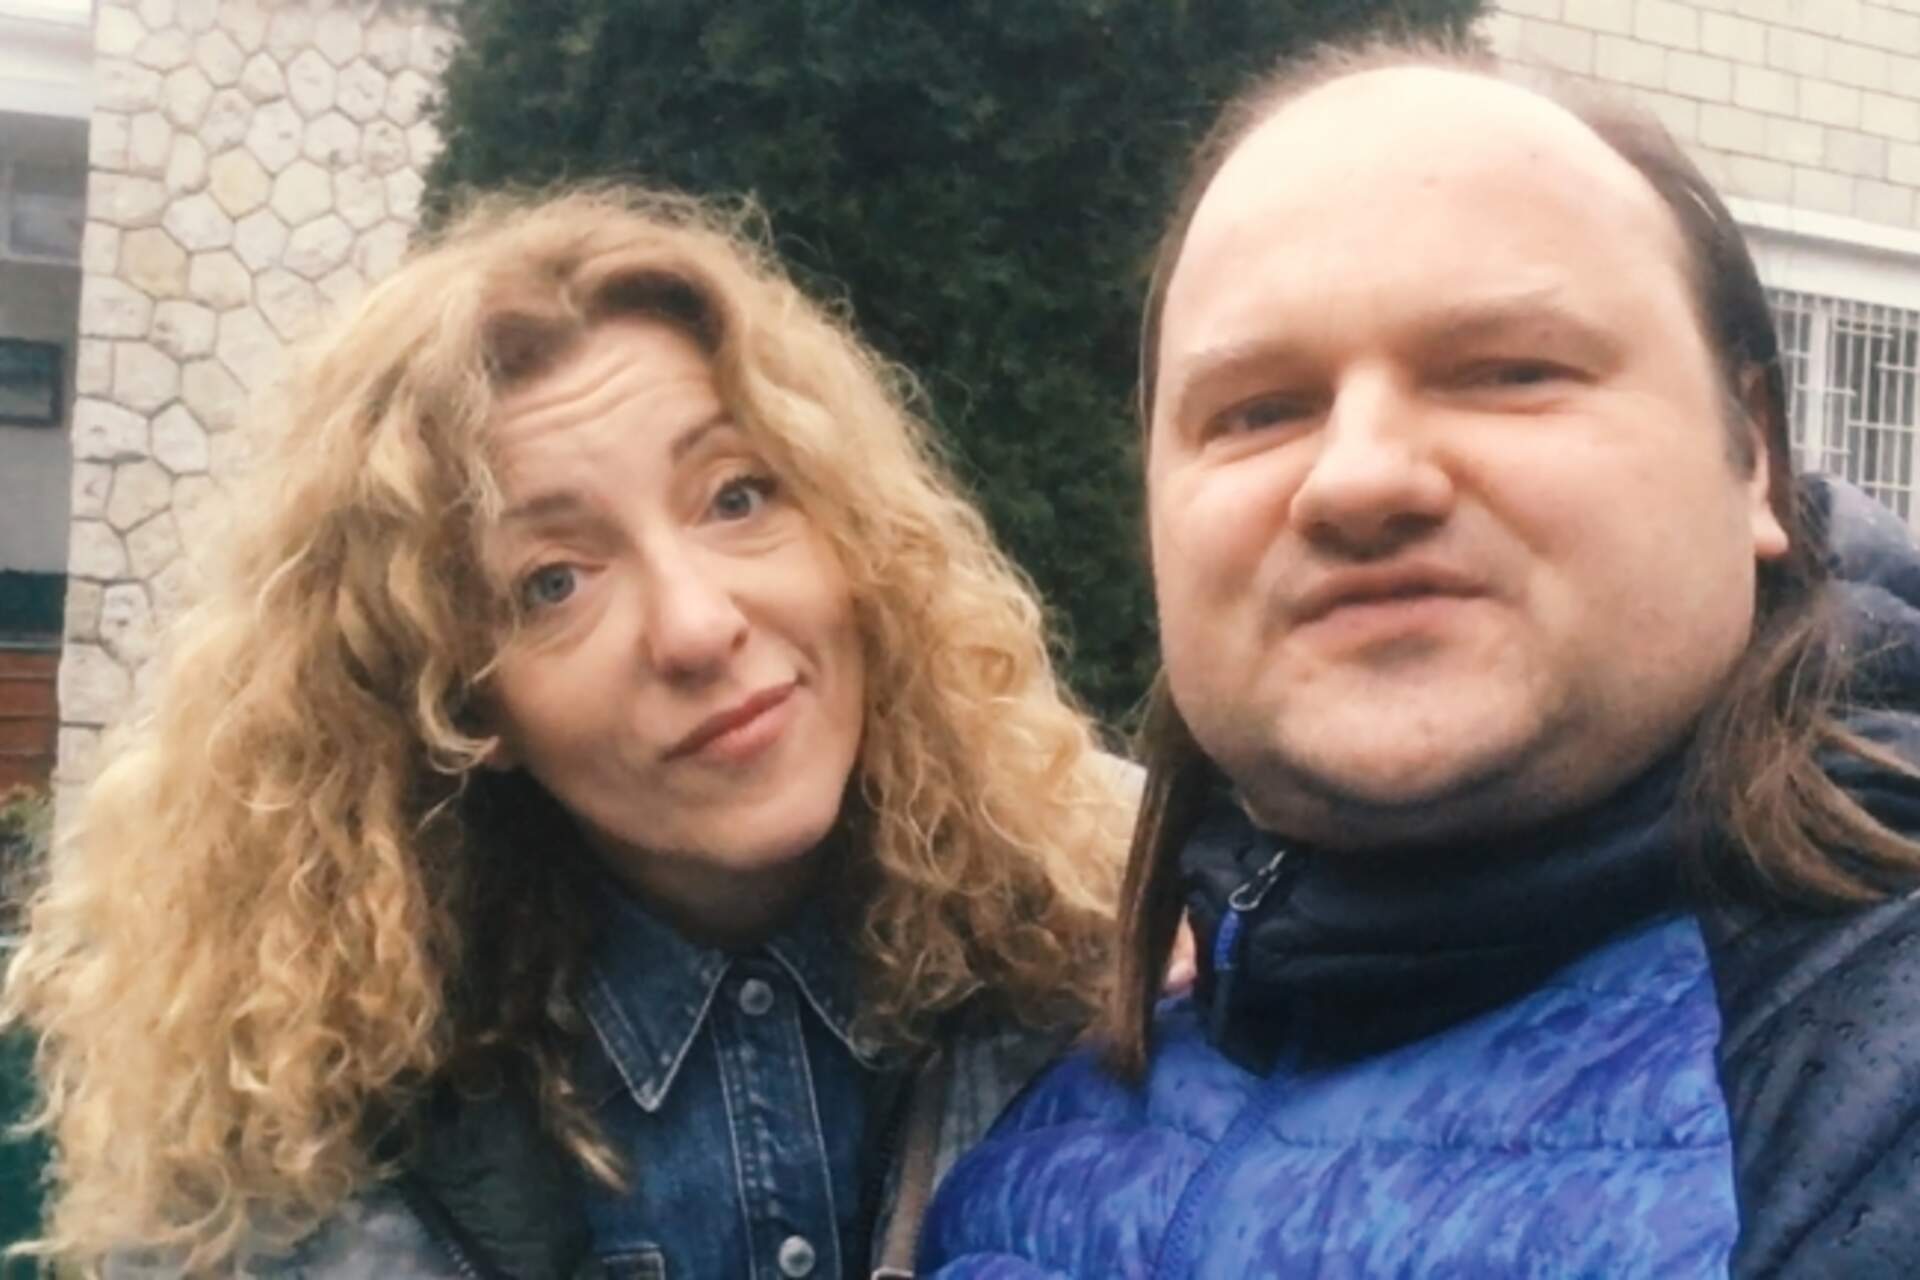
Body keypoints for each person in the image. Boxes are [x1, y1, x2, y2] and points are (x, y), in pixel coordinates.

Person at [918, 34, 1920, 1279]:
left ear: (1753, 455)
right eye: (1258, 411)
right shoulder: (1022, 1138)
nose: (1359, 478)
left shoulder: (1871, 1073)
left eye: (1508, 371)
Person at [2, 187, 1133, 1278]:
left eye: (736, 495)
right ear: (461, 703)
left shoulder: (1121, 936)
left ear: (854, 533)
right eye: (552, 582)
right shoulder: (291, 1169)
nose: (697, 625)